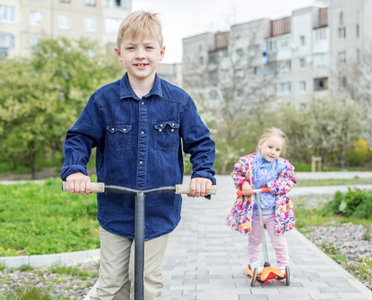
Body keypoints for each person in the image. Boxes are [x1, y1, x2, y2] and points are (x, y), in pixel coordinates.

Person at [61, 11, 216, 300]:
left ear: (161, 52)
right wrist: (75, 170)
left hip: (158, 209)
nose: (140, 55)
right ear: (120, 54)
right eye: (131, 48)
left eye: (148, 47)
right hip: (116, 208)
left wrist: (202, 176)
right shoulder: (103, 100)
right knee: (111, 284)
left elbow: (202, 143)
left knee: (145, 279)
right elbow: (79, 137)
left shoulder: (179, 101)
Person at [226, 127, 296, 274]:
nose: (273, 152)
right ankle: (254, 263)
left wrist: (273, 186)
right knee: (255, 239)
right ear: (261, 144)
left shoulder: (282, 165)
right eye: (270, 147)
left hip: (274, 212)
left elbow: (290, 180)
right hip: (254, 211)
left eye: (277, 149)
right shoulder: (248, 162)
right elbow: (237, 173)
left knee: (278, 240)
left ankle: (283, 265)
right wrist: (244, 183)